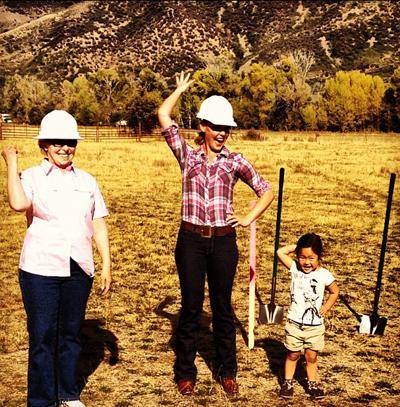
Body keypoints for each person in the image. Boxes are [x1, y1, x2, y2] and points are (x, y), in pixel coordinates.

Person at [158, 72, 274, 396]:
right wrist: (179, 90)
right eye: (216, 127)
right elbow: (164, 116)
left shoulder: (235, 161)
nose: (222, 133)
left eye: (226, 128)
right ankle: (185, 373)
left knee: (223, 307)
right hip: (191, 241)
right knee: (191, 307)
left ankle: (227, 371)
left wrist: (249, 217)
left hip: (224, 241)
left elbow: (266, 190)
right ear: (203, 127)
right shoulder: (187, 156)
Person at [1, 110, 112, 407]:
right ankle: (41, 400)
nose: (65, 147)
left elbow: (98, 222)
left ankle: (67, 393)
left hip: (79, 267)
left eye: (70, 142)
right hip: (40, 269)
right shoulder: (32, 176)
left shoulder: (88, 181)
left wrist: (106, 265)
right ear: (45, 145)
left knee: (71, 334)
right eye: (57, 142)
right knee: (42, 336)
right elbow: (18, 203)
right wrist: (11, 164)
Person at [276, 233, 339, 400]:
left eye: (311, 257)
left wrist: (326, 307)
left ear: (319, 256)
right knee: (293, 354)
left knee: (311, 357)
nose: (307, 262)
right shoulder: (295, 269)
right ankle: (288, 382)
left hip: (315, 326)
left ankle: (312, 383)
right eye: (302, 257)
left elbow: (334, 292)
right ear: (297, 256)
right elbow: (280, 252)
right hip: (295, 323)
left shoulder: (324, 274)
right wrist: (296, 248)